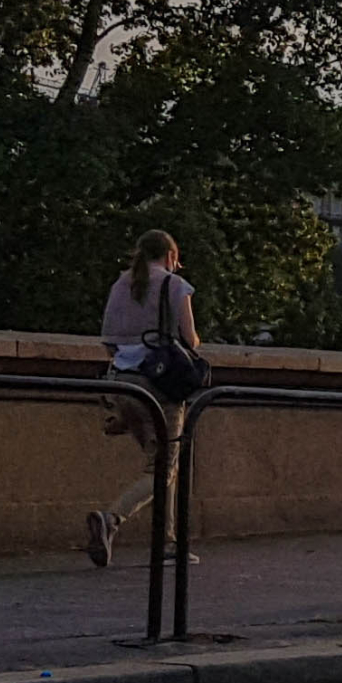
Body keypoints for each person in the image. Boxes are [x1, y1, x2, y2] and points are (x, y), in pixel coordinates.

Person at [90, 229, 199, 567]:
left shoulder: (122, 284)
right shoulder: (174, 285)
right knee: (164, 468)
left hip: (122, 385)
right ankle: (112, 519)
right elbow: (190, 339)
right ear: (170, 256)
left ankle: (167, 544)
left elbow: (109, 340)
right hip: (159, 386)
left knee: (161, 463)